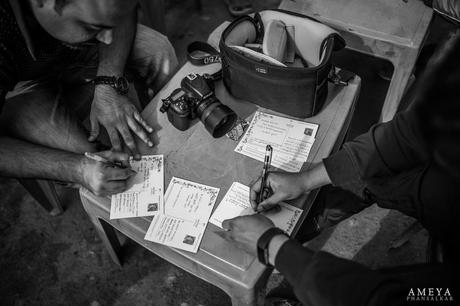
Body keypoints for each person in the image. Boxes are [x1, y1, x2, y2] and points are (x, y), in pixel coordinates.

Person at [221, 30, 460, 305]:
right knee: (361, 178)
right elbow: (406, 135)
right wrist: (306, 180)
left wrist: (273, 246)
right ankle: (310, 218)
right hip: (440, 193)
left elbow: (379, 298)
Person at [0, 0, 178, 196]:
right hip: (21, 87)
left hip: (76, 51)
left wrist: (108, 83)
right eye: (93, 26)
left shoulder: (92, 27)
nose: (109, 40)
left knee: (157, 50)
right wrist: (79, 169)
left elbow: (122, 13)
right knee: (95, 163)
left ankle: (170, 139)